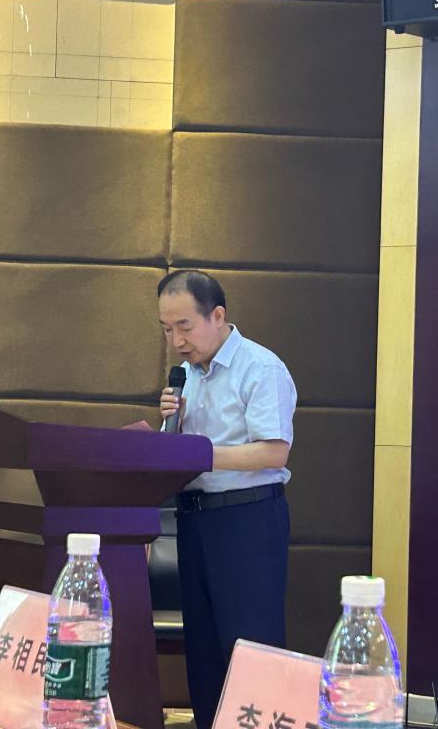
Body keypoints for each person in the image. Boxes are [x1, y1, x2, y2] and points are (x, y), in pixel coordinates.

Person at [157, 269, 297, 728]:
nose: (176, 341)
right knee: (203, 652)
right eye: (166, 329)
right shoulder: (187, 376)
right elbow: (181, 454)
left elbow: (274, 451)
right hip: (194, 522)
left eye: (185, 326)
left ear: (217, 316)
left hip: (247, 519)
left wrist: (198, 453)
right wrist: (171, 428)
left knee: (250, 648)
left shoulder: (261, 368)